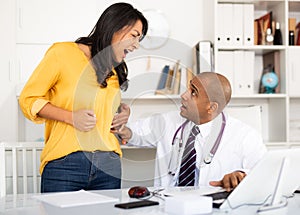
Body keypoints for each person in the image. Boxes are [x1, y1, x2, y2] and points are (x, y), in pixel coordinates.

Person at [19, 2, 148, 192]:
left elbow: (99, 105)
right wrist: (71, 117)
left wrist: (121, 113)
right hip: (65, 163)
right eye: (134, 36)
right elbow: (28, 99)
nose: (137, 45)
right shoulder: (62, 53)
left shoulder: (114, 68)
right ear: (115, 27)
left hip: (109, 164)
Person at [114, 72, 267, 191]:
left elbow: (263, 173)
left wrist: (241, 175)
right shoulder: (168, 121)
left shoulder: (245, 136)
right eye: (188, 88)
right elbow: (134, 133)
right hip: (167, 206)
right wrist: (122, 127)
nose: (184, 95)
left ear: (211, 107)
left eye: (193, 92)